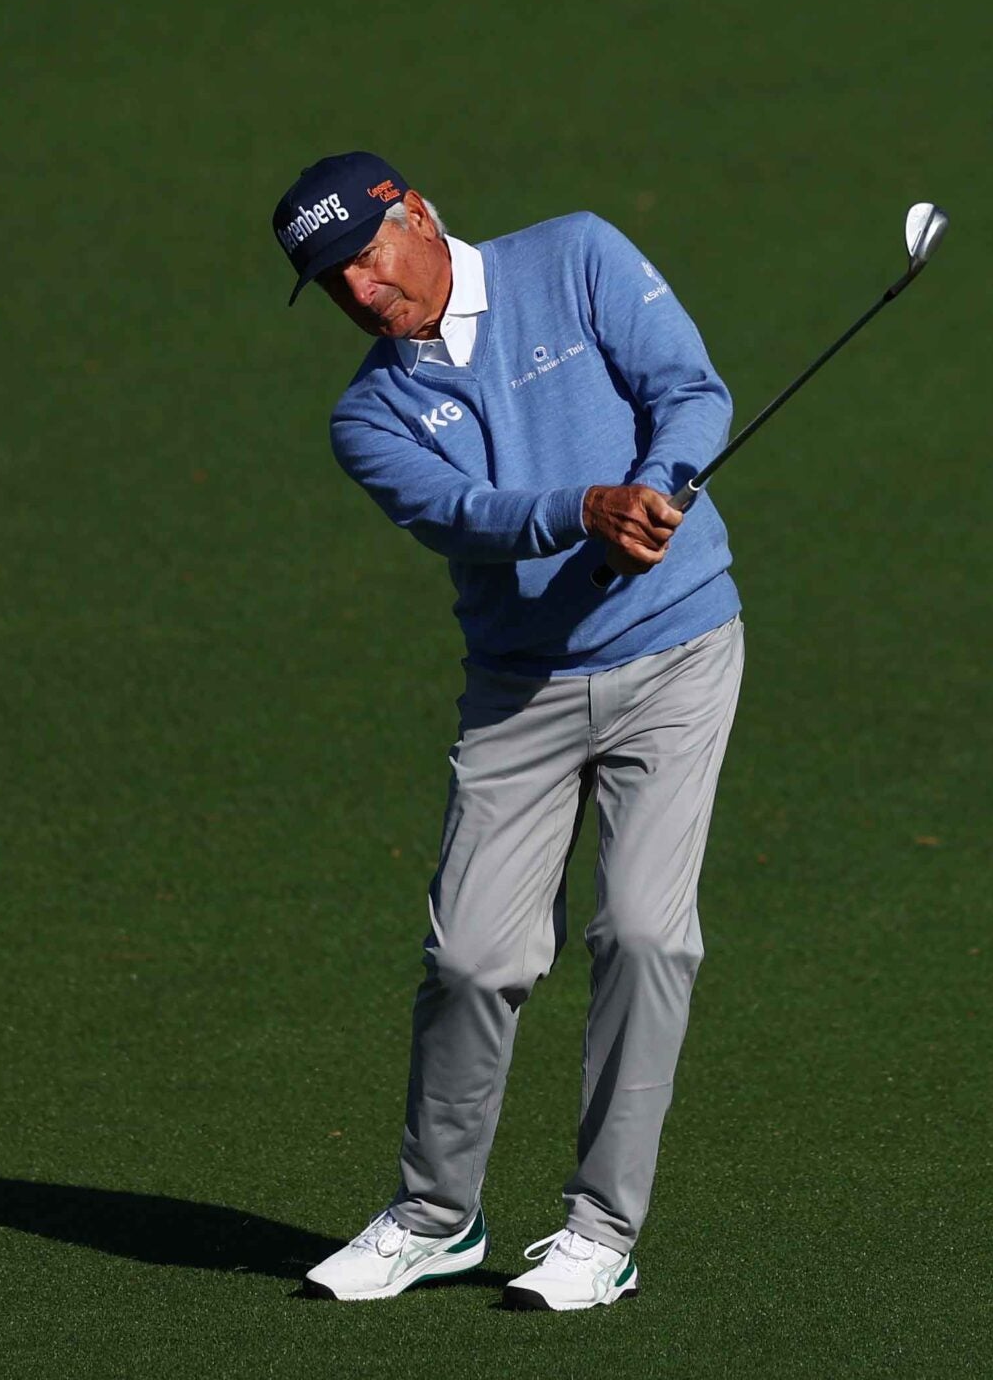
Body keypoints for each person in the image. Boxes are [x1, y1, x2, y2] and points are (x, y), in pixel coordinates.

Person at [270, 151, 745, 1310]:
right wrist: (586, 509)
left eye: (366, 258)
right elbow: (463, 517)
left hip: (676, 650)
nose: (360, 295)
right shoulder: (369, 413)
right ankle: (437, 1216)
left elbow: (692, 393)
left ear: (417, 213)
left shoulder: (577, 254)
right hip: (520, 692)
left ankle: (600, 1229)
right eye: (330, 283)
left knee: (643, 935)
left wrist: (659, 485)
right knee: (474, 958)